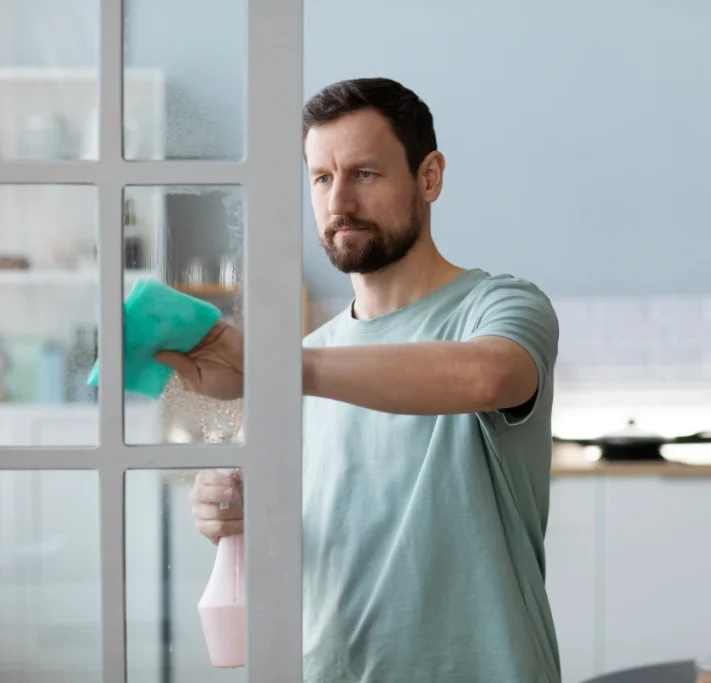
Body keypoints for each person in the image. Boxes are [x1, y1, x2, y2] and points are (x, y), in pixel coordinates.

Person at [156, 77, 562, 683]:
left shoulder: (501, 306)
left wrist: (278, 368)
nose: (338, 202)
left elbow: (486, 376)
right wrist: (230, 517)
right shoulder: (305, 361)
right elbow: (309, 534)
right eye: (321, 178)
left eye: (364, 174)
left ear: (429, 177)